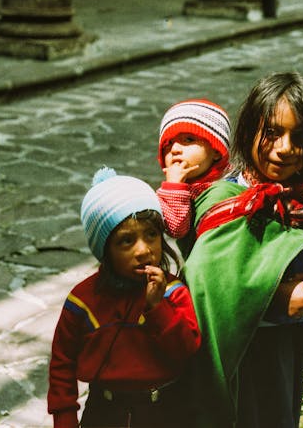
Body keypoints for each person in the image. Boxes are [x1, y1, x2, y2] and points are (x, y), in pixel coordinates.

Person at [183, 72, 303, 427]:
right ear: (249, 131)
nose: (284, 148)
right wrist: (276, 298)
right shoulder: (224, 202)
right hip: (236, 359)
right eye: (273, 133)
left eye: (300, 137)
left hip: (282, 356)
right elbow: (206, 284)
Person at [47, 167, 201, 428]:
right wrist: (64, 418)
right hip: (105, 413)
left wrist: (157, 308)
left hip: (166, 411)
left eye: (151, 235)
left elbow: (186, 350)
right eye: (126, 241)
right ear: (105, 250)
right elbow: (62, 362)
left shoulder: (172, 292)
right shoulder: (83, 301)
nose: (144, 250)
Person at [155, 99, 231, 254]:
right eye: (168, 144)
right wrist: (174, 187)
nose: (175, 149)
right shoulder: (177, 190)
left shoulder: (233, 181)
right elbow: (176, 228)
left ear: (216, 151)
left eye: (188, 140)